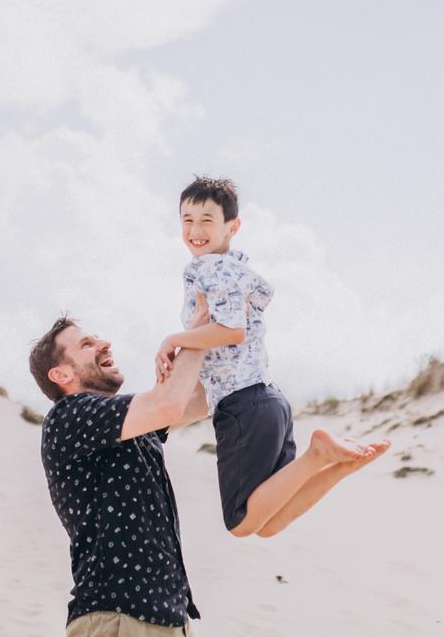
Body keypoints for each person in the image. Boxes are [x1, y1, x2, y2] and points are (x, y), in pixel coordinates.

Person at [155, 176, 391, 538]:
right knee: (267, 523)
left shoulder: (210, 269)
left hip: (244, 408)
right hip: (269, 401)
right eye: (187, 220)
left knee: (239, 522)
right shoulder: (236, 269)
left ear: (232, 227)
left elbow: (233, 330)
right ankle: (336, 466)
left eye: (206, 220)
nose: (195, 230)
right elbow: (208, 386)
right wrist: (158, 426)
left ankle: (317, 455)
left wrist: (174, 338)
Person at [30, 312, 210, 636]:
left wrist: (220, 326)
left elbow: (197, 403)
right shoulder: (67, 417)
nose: (104, 343)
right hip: (117, 618)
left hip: (168, 617)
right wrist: (199, 326)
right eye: (87, 344)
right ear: (60, 373)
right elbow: (168, 404)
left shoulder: (130, 429)